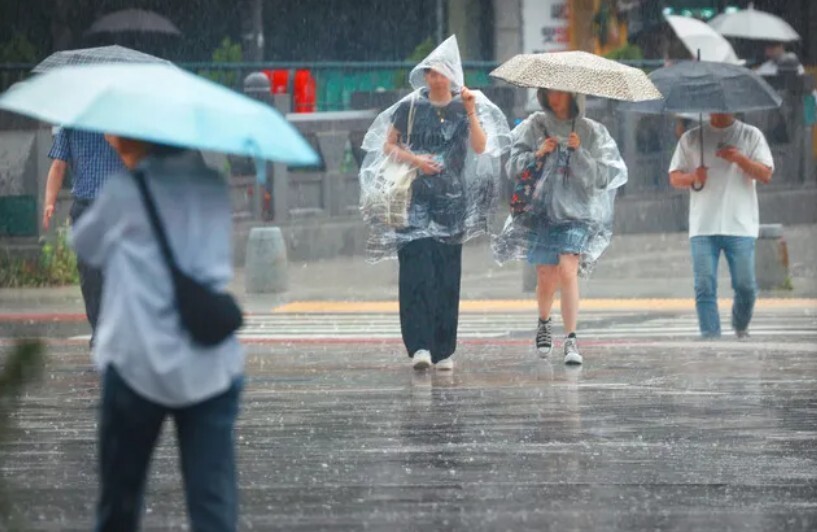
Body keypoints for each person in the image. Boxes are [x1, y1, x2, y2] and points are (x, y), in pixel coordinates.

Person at [71, 136, 244, 531]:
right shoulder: (213, 188)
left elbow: (85, 246)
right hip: (208, 366)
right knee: (212, 505)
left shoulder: (122, 191)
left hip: (136, 363)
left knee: (120, 502)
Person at [359, 35, 509, 372]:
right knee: (416, 272)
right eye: (430, 72)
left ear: (452, 74)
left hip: (451, 201)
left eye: (441, 72)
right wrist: (416, 161)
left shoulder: (463, 107)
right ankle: (420, 346)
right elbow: (388, 146)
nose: (435, 78)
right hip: (413, 199)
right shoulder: (410, 107)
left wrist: (471, 110)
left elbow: (481, 146)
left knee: (445, 274)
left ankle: (444, 349)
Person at [495, 89, 627, 365]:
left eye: (560, 93)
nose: (554, 98)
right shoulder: (535, 126)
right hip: (541, 212)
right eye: (548, 93)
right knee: (546, 275)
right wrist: (538, 153)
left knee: (568, 269)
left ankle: (571, 339)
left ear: (573, 96)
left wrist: (580, 153)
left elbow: (603, 178)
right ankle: (544, 321)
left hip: (577, 213)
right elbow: (513, 167)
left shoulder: (592, 132)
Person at [669, 113, 774, 339]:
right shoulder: (692, 138)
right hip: (703, 225)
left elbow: (766, 174)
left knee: (746, 287)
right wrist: (693, 177)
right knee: (704, 286)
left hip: (740, 224)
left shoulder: (750, 135)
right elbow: (675, 177)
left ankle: (740, 323)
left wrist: (740, 159)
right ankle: (710, 336)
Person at [44, 128, 126, 345]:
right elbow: (58, 165)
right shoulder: (70, 125)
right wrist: (49, 202)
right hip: (85, 208)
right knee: (90, 275)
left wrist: (116, 139)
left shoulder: (123, 122)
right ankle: (100, 332)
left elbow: (137, 162)